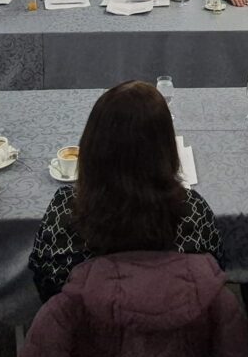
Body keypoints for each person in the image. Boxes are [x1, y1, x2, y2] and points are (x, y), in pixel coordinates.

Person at [28, 80, 224, 302]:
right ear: (166, 150)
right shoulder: (193, 213)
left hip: (86, 323)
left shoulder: (63, 214)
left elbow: (46, 288)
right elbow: (215, 274)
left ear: (92, 146)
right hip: (180, 321)